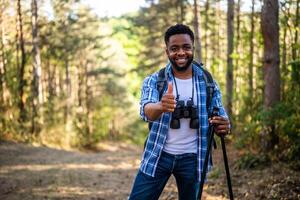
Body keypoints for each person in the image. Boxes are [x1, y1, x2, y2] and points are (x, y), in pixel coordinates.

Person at [128, 24, 230, 200]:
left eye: (186, 47)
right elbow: (146, 111)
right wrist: (161, 106)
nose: (181, 53)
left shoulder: (209, 82)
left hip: (194, 158)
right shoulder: (154, 80)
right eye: (174, 48)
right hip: (159, 155)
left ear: (193, 49)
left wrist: (225, 125)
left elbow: (222, 117)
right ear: (167, 51)